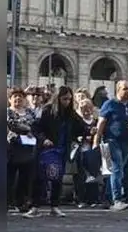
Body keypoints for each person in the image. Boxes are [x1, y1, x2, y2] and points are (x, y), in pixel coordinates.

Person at [30, 85, 86, 217]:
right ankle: (34, 207)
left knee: (57, 178)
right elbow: (36, 128)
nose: (67, 102)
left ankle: (54, 206)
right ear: (58, 98)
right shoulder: (47, 110)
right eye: (64, 99)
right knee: (40, 178)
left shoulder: (70, 114)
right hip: (46, 150)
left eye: (69, 99)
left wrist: (89, 131)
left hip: (61, 150)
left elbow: (81, 127)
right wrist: (43, 139)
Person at [93, 80, 128, 211]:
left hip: (126, 142)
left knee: (116, 171)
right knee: (117, 168)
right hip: (111, 140)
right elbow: (101, 123)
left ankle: (108, 198)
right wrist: (96, 140)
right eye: (125, 89)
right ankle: (117, 200)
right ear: (118, 90)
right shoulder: (109, 104)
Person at [7, 88, 39, 215]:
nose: (18, 98)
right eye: (15, 96)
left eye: (20, 96)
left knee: (25, 178)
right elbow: (12, 124)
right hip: (11, 148)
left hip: (28, 148)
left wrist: (32, 131)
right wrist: (27, 130)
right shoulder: (8, 112)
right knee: (8, 177)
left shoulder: (30, 112)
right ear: (10, 99)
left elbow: (36, 125)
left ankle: (21, 202)